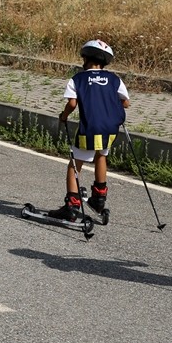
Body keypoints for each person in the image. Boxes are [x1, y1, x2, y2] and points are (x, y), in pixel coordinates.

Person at [48, 40, 130, 221]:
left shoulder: (78, 79)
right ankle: (99, 199)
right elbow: (126, 103)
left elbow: (72, 103)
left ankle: (72, 205)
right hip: (110, 128)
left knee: (74, 164)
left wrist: (64, 116)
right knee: (101, 155)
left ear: (85, 58)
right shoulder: (114, 79)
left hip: (89, 127)